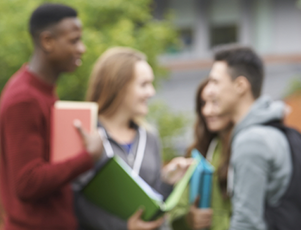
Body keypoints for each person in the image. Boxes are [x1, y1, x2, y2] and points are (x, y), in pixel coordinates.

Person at [0, 3, 104, 230]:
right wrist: (88, 156)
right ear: (47, 41)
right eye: (74, 41)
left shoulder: (43, 90)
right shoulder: (24, 99)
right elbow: (27, 182)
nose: (82, 48)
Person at [73, 47, 191, 230]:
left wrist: (167, 182)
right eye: (144, 84)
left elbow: (153, 203)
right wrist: (123, 227)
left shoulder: (150, 138)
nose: (151, 92)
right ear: (119, 86)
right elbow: (74, 202)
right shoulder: (86, 134)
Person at [203, 45, 291, 230]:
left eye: (215, 82)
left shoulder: (251, 141)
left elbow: (247, 223)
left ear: (240, 86)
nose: (209, 90)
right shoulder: (272, 129)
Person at [170, 79, 233, 230]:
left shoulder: (247, 146)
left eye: (215, 102)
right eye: (203, 104)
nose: (207, 111)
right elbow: (176, 212)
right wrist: (189, 219)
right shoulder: (200, 152)